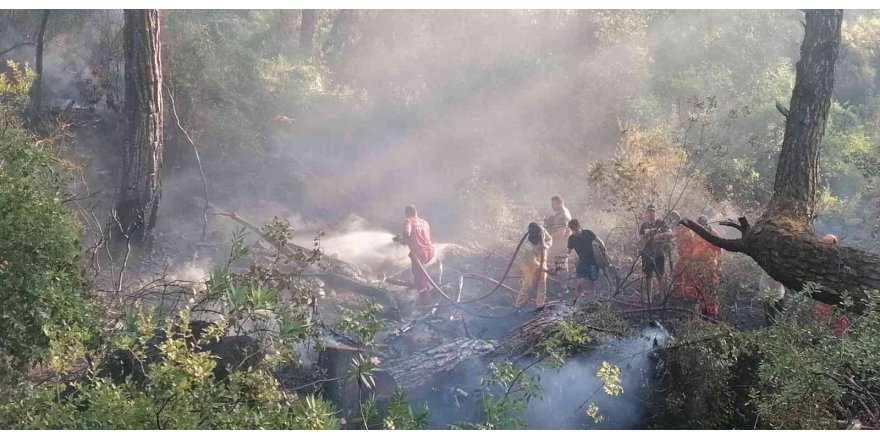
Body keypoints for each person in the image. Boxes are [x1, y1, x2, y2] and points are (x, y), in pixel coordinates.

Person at [393, 205, 436, 307]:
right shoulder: (424, 222)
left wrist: (399, 239)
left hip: (420, 254)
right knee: (422, 274)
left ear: (407, 213)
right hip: (430, 252)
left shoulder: (408, 220)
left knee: (419, 280)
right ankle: (431, 291)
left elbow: (407, 234)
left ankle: (427, 303)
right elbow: (419, 238)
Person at [812, 234, 850, 333]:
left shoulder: (840, 262)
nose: (824, 248)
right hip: (823, 297)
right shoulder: (819, 260)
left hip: (834, 299)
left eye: (827, 245)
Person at [690, 215, 724, 318]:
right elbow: (694, 248)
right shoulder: (696, 235)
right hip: (699, 266)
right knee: (700, 289)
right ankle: (702, 312)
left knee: (712, 290)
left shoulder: (713, 234)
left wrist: (719, 266)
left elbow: (720, 250)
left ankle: (713, 314)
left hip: (711, 267)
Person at [566, 219, 607, 300]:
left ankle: (592, 303)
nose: (575, 232)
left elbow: (600, 242)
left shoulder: (588, 233)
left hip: (593, 262)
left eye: (576, 229)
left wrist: (604, 253)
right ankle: (575, 303)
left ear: (579, 226)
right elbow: (568, 252)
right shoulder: (571, 238)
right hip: (582, 263)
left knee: (591, 284)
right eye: (572, 230)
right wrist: (564, 257)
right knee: (579, 284)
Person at [639, 204, 671, 306]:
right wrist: (647, 235)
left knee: (659, 277)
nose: (651, 213)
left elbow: (670, 233)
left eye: (653, 211)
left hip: (659, 254)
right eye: (649, 211)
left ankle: (662, 299)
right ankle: (649, 299)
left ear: (655, 212)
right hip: (647, 254)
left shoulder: (660, 223)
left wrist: (660, 234)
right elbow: (640, 238)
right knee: (648, 277)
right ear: (647, 213)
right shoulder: (644, 225)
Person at [516, 222, 553, 308]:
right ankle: (518, 305)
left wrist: (546, 246)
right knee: (528, 284)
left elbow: (550, 239)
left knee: (542, 282)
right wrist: (545, 269)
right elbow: (533, 263)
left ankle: (540, 305)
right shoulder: (528, 245)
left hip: (542, 259)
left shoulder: (542, 230)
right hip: (529, 264)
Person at [544, 195, 572, 280]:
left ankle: (563, 288)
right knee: (552, 262)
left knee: (561, 265)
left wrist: (547, 238)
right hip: (557, 242)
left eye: (553, 204)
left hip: (562, 243)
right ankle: (555, 283)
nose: (552, 207)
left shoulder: (563, 214)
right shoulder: (560, 212)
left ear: (560, 204)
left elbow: (561, 232)